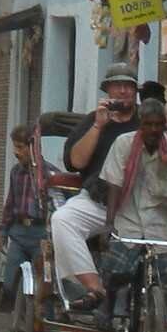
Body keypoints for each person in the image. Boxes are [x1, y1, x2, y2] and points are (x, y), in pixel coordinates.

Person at [49, 63, 140, 311]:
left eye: (128, 86)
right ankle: (93, 286)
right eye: (117, 86)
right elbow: (76, 162)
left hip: (136, 204)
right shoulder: (93, 120)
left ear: (135, 91)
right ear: (107, 90)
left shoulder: (146, 121)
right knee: (62, 219)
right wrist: (99, 126)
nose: (123, 91)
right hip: (98, 201)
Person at [99, 98, 167, 245]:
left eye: (158, 124)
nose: (154, 129)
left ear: (164, 124)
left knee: (164, 266)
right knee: (116, 267)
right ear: (140, 123)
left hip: (161, 229)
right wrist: (109, 224)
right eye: (148, 124)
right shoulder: (123, 143)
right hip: (127, 225)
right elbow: (114, 184)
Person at [0, 123, 54, 332]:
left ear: (33, 147)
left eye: (20, 147)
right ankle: (25, 327)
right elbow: (11, 201)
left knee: (43, 291)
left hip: (41, 234)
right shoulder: (15, 172)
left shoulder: (50, 174)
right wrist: (3, 229)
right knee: (10, 282)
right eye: (15, 147)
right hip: (19, 232)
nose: (16, 152)